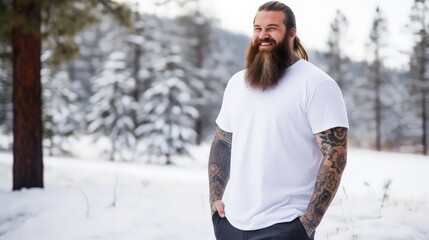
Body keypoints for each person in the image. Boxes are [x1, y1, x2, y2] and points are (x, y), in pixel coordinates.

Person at [208, 1, 349, 239]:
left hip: (285, 225)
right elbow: (223, 141)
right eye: (257, 28)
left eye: (272, 28)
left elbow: (335, 155)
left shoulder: (316, 84)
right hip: (232, 224)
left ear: (291, 34)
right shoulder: (237, 84)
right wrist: (215, 200)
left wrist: (307, 224)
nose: (263, 35)